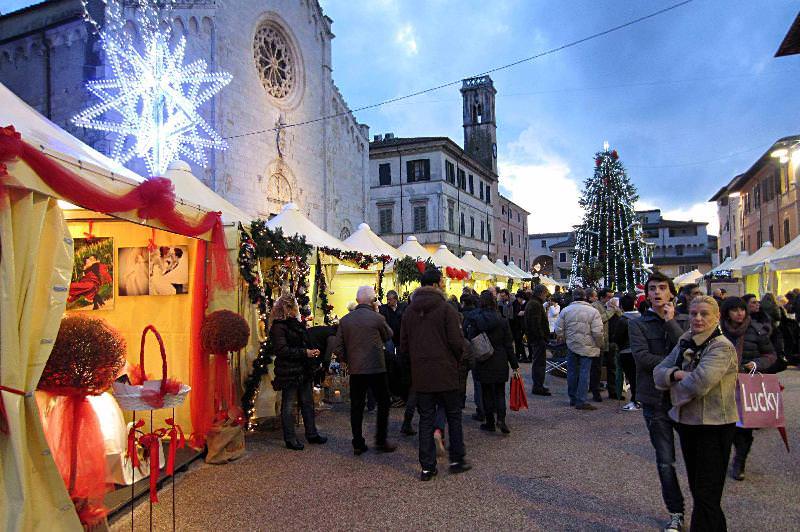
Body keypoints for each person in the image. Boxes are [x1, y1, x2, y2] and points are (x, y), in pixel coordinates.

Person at [654, 296, 739, 532]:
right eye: (693, 314)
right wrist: (677, 375)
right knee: (699, 491)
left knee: (707, 494)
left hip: (714, 425)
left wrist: (675, 377)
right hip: (688, 423)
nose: (698, 318)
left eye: (704, 314)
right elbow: (658, 374)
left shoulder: (721, 346)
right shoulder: (685, 339)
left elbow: (700, 384)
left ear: (717, 316)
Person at [629, 272, 689, 532]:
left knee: (696, 459)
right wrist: (673, 368)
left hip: (687, 398)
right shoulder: (638, 324)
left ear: (671, 293)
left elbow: (690, 350)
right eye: (652, 288)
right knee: (665, 460)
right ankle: (676, 511)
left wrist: (670, 323)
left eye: (662, 288)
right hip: (655, 398)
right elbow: (642, 358)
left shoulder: (687, 320)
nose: (656, 293)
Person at [399, 268, 471, 481]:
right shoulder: (446, 309)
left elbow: (403, 346)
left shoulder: (409, 311)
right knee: (453, 415)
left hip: (422, 373)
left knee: (426, 419)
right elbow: (457, 342)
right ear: (437, 283)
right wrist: (456, 361)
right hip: (446, 371)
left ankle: (427, 467)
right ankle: (457, 459)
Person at [719, 297, 776, 482]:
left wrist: (756, 364)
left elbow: (771, 354)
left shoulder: (756, 330)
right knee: (724, 427)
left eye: (742, 309)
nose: (740, 313)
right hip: (722, 386)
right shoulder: (717, 331)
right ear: (726, 312)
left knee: (745, 429)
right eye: (735, 310)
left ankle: (739, 461)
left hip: (747, 386)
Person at [334, 286, 395, 456]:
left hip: (356, 369)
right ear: (372, 300)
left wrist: (347, 358)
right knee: (384, 402)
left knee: (357, 406)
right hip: (376, 368)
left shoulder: (345, 320)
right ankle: (381, 440)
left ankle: (358, 442)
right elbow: (389, 335)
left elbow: (337, 346)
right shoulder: (377, 318)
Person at [270, 295, 327, 450]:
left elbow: (303, 341)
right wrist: (305, 353)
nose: (295, 309)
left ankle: (312, 433)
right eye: (293, 306)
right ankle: (290, 438)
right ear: (287, 308)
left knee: (307, 402)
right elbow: (282, 350)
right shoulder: (278, 327)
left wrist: (310, 351)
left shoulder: (296, 324)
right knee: (288, 404)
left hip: (303, 368)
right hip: (289, 371)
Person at [464, 290, 520, 434]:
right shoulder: (502, 320)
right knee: (500, 392)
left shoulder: (476, 319)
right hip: (500, 359)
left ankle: (489, 422)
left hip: (483, 359)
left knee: (486, 392)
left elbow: (470, 338)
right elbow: (508, 344)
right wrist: (514, 365)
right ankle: (501, 419)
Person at [554, 287, 603, 411]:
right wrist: (599, 344)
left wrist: (566, 338)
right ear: (585, 297)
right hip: (588, 346)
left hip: (572, 345)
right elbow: (597, 332)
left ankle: (573, 398)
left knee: (571, 372)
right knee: (584, 373)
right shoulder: (593, 312)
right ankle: (581, 400)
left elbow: (558, 329)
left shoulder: (566, 310)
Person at [612, 294, 641, 411]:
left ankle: (635, 400)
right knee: (638, 377)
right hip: (639, 351)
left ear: (622, 306)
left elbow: (617, 337)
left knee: (632, 377)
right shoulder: (640, 317)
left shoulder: (623, 320)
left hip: (626, 351)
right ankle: (638, 399)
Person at [379, 290, 407, 407]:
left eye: (390, 299)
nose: (388, 301)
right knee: (390, 358)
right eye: (387, 299)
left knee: (400, 359)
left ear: (395, 299)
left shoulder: (403, 307)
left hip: (400, 336)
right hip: (389, 337)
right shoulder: (384, 309)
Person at [589, 288, 617, 401]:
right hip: (600, 341)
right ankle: (595, 392)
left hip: (611, 340)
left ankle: (613, 391)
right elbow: (600, 319)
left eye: (612, 297)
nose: (610, 299)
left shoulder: (612, 306)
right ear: (601, 297)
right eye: (608, 297)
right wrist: (611, 310)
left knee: (612, 367)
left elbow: (620, 314)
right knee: (597, 368)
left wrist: (616, 308)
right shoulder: (595, 306)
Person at [524, 284, 552, 396]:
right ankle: (538, 386)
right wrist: (541, 337)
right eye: (545, 294)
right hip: (537, 339)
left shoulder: (533, 303)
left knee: (538, 362)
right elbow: (535, 324)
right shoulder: (535, 304)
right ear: (541, 293)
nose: (546, 296)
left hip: (535, 338)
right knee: (539, 363)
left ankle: (538, 385)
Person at [511, 291, 528, 362]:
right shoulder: (515, 303)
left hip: (521, 325)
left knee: (519, 341)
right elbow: (515, 313)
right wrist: (518, 313)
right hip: (517, 325)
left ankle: (521, 356)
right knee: (518, 341)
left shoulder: (525, 303)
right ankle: (520, 356)